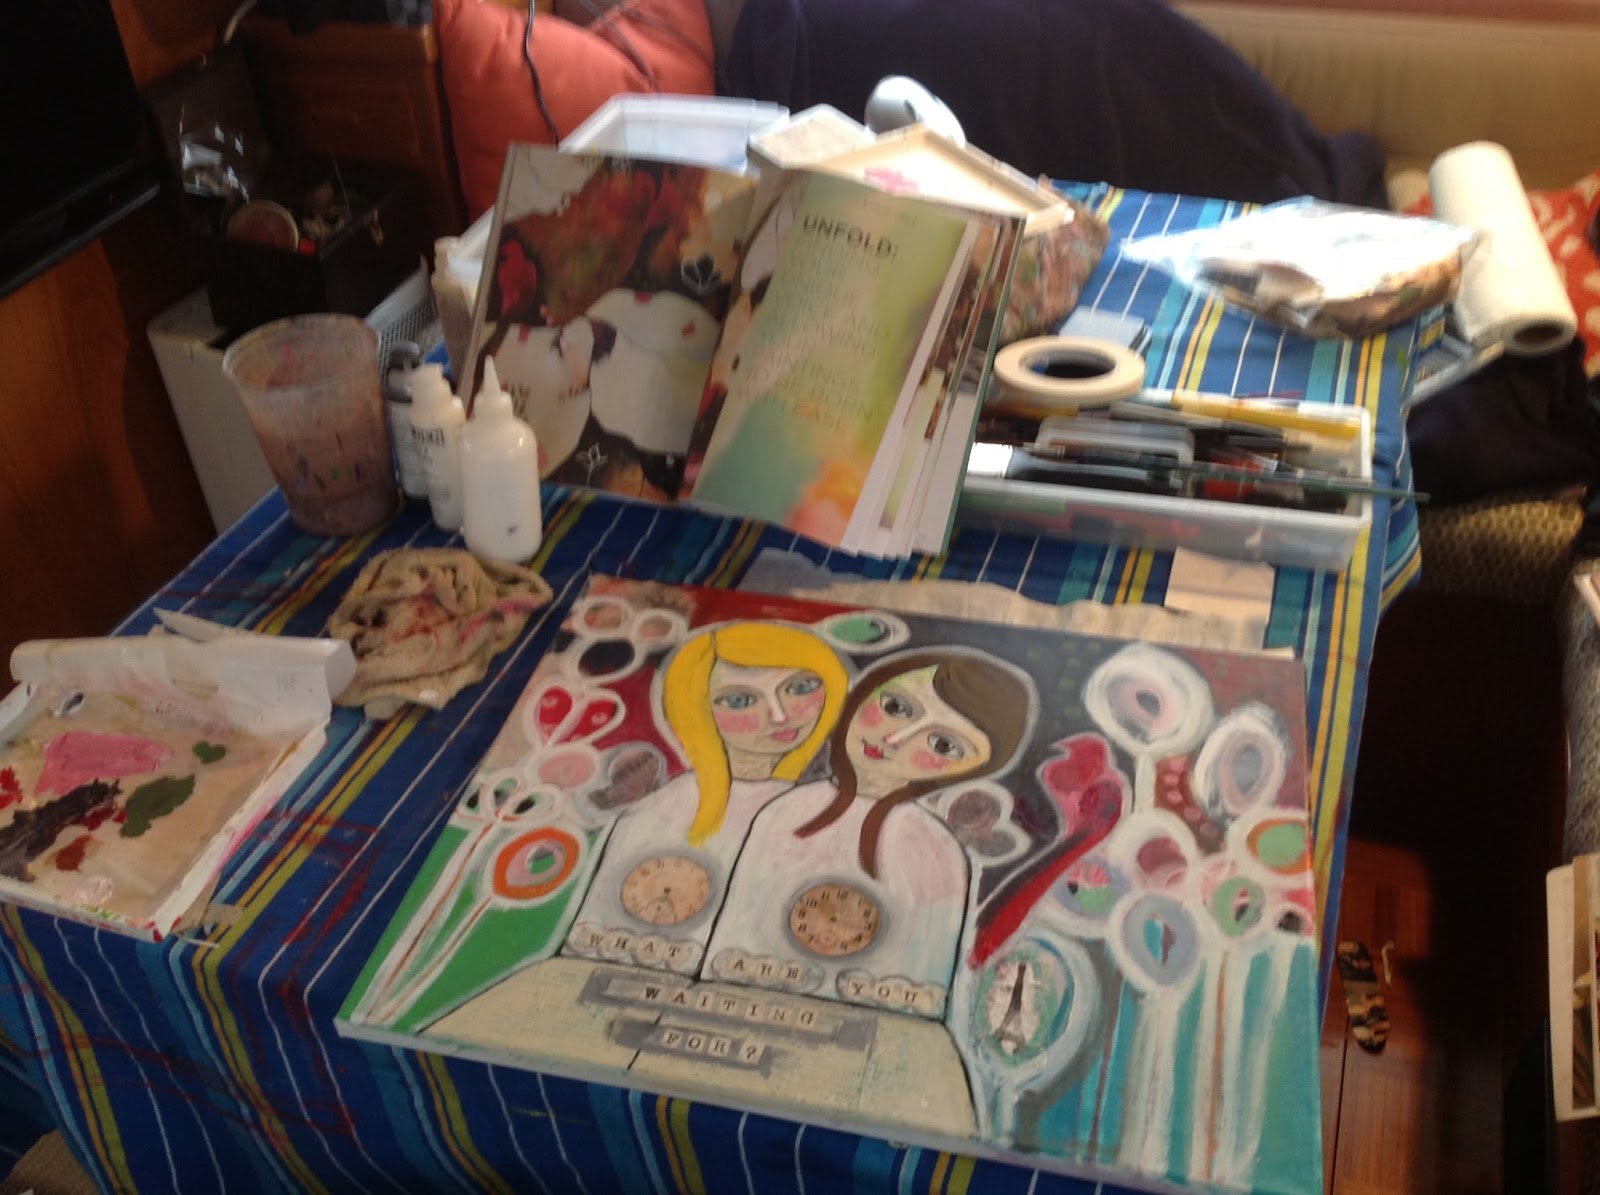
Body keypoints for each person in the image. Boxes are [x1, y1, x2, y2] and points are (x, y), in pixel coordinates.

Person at [702, 648, 1035, 1017]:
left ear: (969, 769)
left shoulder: (933, 849)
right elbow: (731, 940)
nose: (894, 740)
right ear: (864, 693)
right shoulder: (784, 812)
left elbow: (923, 987)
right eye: (896, 707)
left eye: (943, 745)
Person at [563, 621, 848, 973]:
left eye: (800, 687)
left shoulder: (834, 806)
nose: (779, 716)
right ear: (695, 707)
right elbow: (602, 932)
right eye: (740, 700)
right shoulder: (664, 808)